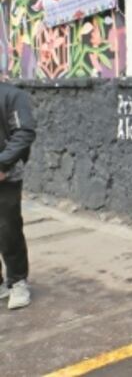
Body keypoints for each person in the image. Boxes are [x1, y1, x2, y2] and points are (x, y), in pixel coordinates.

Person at [0, 81, 37, 310]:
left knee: (8, 228)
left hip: (6, 175)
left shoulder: (13, 96)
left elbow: (24, 132)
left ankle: (18, 282)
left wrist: (3, 164)